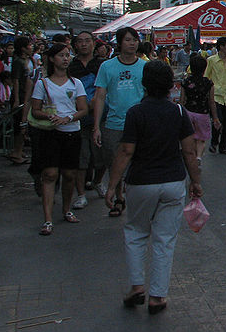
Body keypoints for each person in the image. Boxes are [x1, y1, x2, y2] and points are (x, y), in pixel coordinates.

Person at [105, 60, 202, 315]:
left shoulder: (135, 113)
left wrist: (112, 186)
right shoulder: (178, 112)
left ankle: (137, 285)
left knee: (136, 233)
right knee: (165, 239)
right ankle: (158, 295)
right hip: (173, 182)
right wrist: (196, 181)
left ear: (144, 84)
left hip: (141, 182)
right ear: (170, 85)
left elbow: (126, 151)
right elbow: (189, 151)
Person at [31, 43, 88, 235]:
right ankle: (47, 219)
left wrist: (69, 118)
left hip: (72, 132)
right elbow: (35, 110)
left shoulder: (76, 83)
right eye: (61, 55)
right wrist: (49, 116)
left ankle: (66, 209)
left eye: (67, 55)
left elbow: (83, 109)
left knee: (69, 174)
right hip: (50, 133)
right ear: (52, 59)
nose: (65, 58)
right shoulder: (43, 84)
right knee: (50, 174)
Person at [93, 27, 146, 217]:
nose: (132, 43)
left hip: (139, 125)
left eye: (135, 40)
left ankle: (134, 199)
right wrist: (96, 127)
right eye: (128, 40)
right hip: (114, 124)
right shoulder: (107, 67)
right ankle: (118, 198)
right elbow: (100, 96)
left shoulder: (145, 67)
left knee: (138, 164)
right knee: (114, 164)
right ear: (119, 43)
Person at [67, 31, 103, 209]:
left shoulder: (102, 65)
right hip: (77, 118)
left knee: (102, 157)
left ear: (93, 44)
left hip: (101, 117)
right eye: (80, 41)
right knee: (81, 158)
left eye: (87, 41)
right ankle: (81, 194)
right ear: (75, 45)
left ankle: (98, 181)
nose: (84, 44)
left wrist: (96, 102)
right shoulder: (71, 67)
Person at [180, 55, 220, 160]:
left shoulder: (186, 82)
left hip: (188, 112)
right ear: (204, 68)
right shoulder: (208, 83)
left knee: (190, 137)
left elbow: (182, 100)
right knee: (201, 139)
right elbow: (211, 102)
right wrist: (215, 118)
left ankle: (192, 156)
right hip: (203, 113)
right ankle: (198, 157)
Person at [204, 36, 226, 155]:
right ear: (221, 47)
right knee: (218, 120)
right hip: (216, 95)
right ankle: (214, 142)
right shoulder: (211, 60)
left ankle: (224, 146)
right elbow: (206, 76)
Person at [8, 36, 33, 165]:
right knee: (20, 125)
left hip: (28, 95)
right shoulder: (18, 62)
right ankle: (16, 152)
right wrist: (17, 99)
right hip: (21, 96)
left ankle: (20, 150)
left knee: (24, 125)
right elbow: (16, 81)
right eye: (29, 45)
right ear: (23, 48)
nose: (31, 47)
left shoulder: (28, 60)